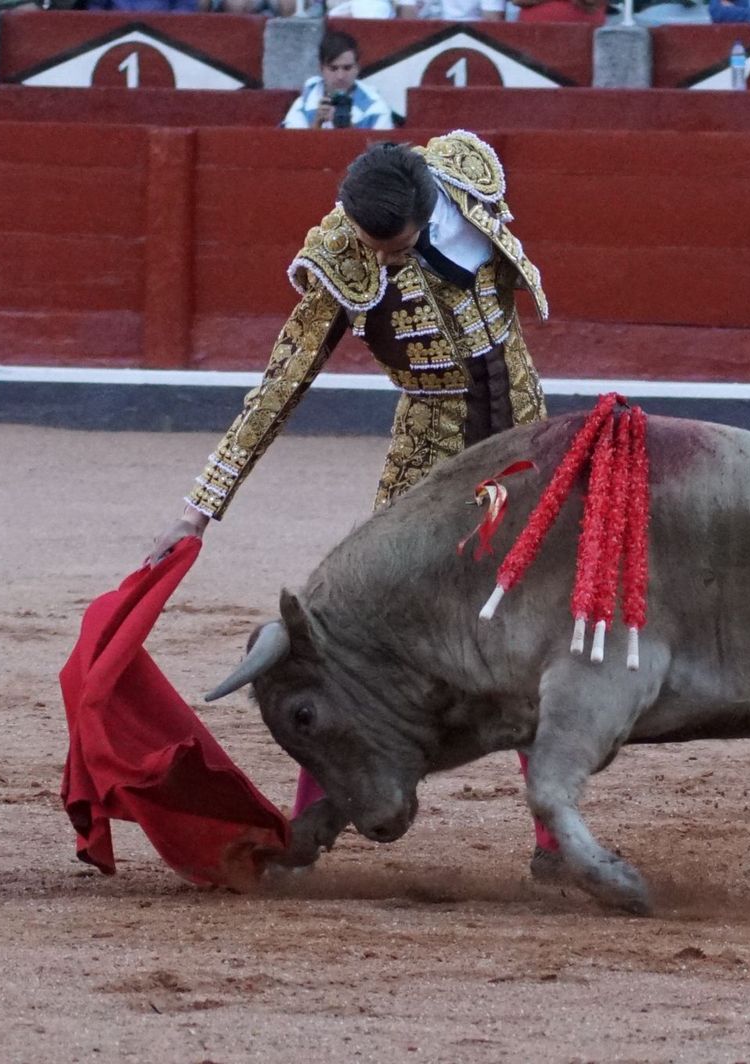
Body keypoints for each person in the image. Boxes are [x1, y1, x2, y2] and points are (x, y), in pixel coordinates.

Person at [148, 134, 553, 859]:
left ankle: (554, 840)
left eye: (391, 245)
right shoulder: (343, 255)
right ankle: (310, 825)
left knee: (540, 636)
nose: (380, 257)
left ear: (426, 214)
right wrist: (197, 510)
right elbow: (280, 387)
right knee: (360, 643)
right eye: (368, 241)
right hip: (430, 459)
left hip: (526, 441)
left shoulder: (464, 181)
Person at [282, 31, 395, 131]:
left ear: (357, 67)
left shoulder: (376, 109)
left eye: (347, 68)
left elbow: (383, 153)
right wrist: (316, 126)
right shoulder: (303, 104)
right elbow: (291, 149)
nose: (340, 76)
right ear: (321, 69)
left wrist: (349, 129)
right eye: (333, 69)